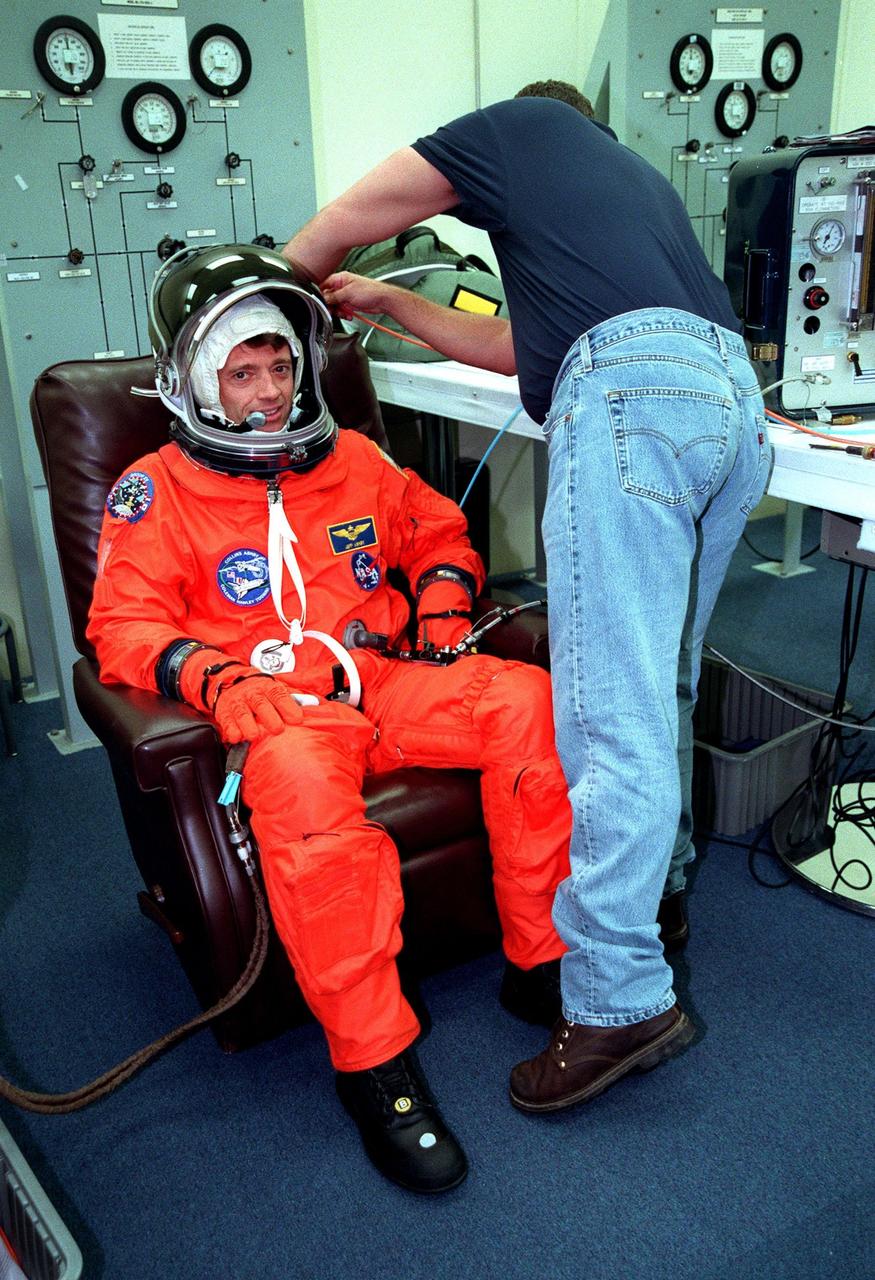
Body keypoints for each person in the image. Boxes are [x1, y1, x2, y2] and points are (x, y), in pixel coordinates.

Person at [282, 82, 770, 1115]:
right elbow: (520, 348)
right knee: (662, 685)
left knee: (608, 715)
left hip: (636, 402)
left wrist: (284, 277)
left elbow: (368, 209)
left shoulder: (524, 126)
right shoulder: (627, 192)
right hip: (729, 409)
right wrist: (388, 305)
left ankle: (612, 999)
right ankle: (658, 896)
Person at [87, 243, 572, 1192]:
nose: (268, 392)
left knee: (528, 702)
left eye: (279, 364)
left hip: (382, 677)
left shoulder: (349, 457)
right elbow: (122, 623)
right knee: (312, 811)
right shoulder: (156, 491)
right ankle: (375, 1068)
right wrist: (213, 680)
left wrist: (439, 590)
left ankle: (541, 960)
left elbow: (435, 525)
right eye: (242, 372)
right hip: (278, 715)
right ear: (193, 380)